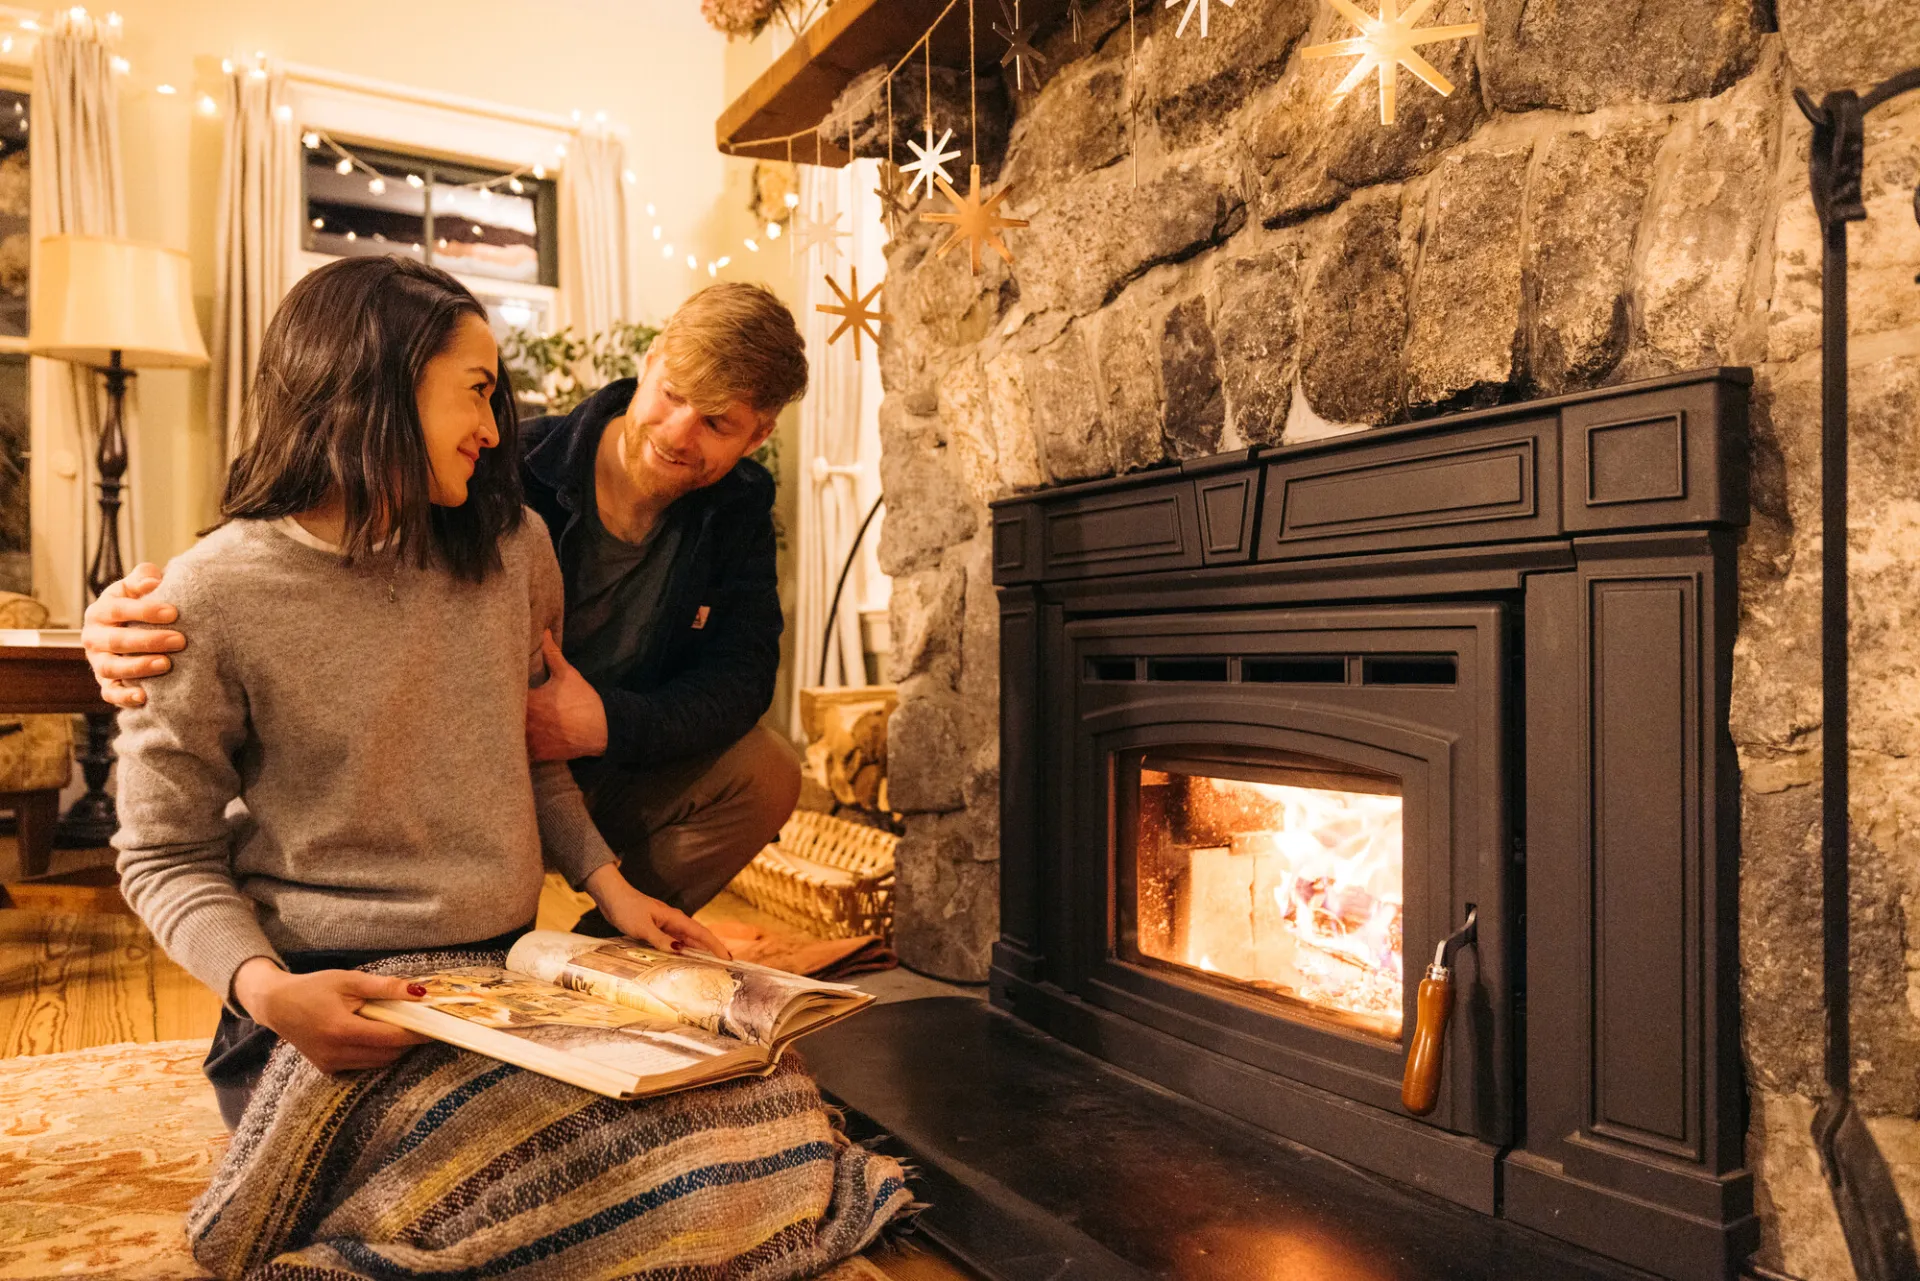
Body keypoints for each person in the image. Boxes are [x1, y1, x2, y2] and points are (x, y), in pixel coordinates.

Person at [110, 254, 727, 1129]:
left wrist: (612, 889)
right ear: (382, 384)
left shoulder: (515, 548)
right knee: (487, 1167)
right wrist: (269, 993)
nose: (492, 427)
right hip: (322, 983)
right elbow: (162, 853)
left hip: (508, 974)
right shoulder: (207, 595)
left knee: (733, 1114)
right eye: (476, 391)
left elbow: (528, 752)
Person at [86, 283, 808, 922]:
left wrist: (602, 727)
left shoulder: (736, 507)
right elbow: (306, 569)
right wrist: (129, 618)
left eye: (716, 423)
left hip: (579, 771)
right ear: (649, 362)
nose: (678, 435)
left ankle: (609, 950)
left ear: (759, 435)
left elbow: (742, 678)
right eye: (674, 395)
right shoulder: (496, 469)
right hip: (446, 774)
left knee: (769, 769)